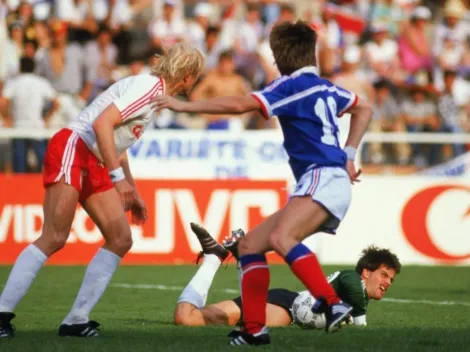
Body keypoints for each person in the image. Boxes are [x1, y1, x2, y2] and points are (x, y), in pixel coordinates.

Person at [153, 21, 373, 345]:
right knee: (249, 245)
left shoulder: (289, 87)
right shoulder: (326, 87)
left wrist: (186, 106)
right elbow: (364, 107)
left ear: (280, 57)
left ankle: (332, 302)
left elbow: (240, 104)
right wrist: (350, 154)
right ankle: (255, 329)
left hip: (322, 176)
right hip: (329, 179)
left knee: (283, 237)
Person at [0, 43, 204, 339]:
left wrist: (131, 189)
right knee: (55, 236)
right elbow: (101, 124)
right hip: (75, 146)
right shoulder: (149, 88)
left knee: (120, 238)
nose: (196, 81)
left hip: (94, 158)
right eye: (196, 75)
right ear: (187, 75)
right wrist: (118, 178)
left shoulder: (153, 93)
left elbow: (117, 145)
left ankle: (76, 319)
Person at [175, 224, 401, 328]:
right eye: (383, 275)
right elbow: (346, 279)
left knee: (187, 318)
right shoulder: (353, 282)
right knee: (187, 319)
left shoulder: (356, 295)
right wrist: (360, 321)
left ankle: (221, 257)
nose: (387, 283)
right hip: (286, 307)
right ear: (366, 272)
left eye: (390, 279)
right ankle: (227, 257)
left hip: (284, 304)